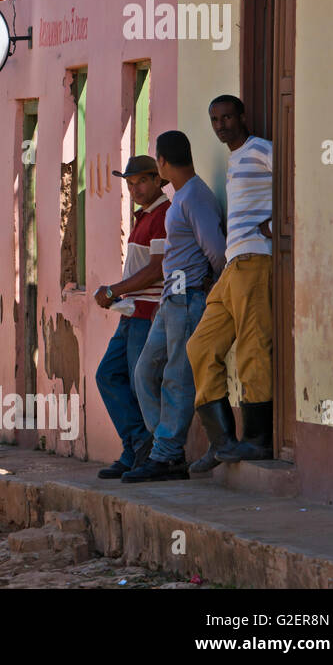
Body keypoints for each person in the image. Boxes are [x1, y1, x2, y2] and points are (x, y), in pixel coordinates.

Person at [124, 131, 226, 482]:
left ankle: (166, 455)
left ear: (163, 163)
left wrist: (211, 284)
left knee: (177, 379)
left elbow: (215, 249)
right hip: (171, 298)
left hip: (188, 298)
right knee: (144, 373)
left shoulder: (194, 196)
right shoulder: (183, 195)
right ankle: (163, 446)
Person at [187, 95, 276, 467]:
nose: (221, 124)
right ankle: (222, 440)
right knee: (200, 346)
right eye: (215, 120)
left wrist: (279, 222)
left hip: (255, 258)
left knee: (253, 346)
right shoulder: (235, 157)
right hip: (232, 266)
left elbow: (299, 175)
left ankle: (257, 439)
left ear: (242, 116)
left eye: (226, 117)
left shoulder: (259, 149)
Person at [93, 156, 169, 479]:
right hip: (130, 311)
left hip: (147, 312)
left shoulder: (164, 215)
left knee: (141, 385)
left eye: (140, 181)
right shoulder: (143, 216)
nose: (134, 188)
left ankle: (151, 451)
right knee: (108, 375)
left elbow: (156, 269)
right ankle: (136, 443)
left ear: (156, 180)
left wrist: (112, 290)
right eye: (129, 183)